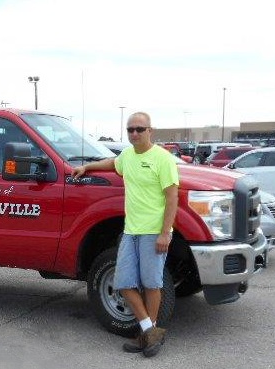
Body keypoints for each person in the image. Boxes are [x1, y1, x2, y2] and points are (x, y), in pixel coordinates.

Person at [72, 112, 179, 357]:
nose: (134, 134)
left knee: (152, 284)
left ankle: (147, 336)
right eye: (130, 129)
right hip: (131, 231)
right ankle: (150, 331)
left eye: (139, 129)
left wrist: (165, 233)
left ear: (150, 130)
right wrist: (87, 167)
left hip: (154, 232)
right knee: (123, 282)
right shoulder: (127, 156)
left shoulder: (163, 159)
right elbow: (112, 163)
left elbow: (172, 197)